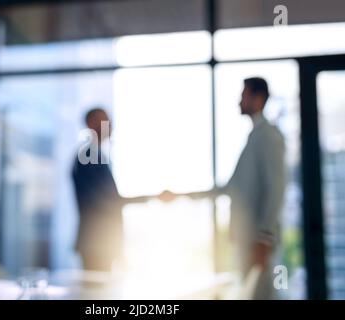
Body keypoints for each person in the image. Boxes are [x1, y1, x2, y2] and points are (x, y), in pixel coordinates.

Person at [164, 77, 286, 299]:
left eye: (244, 95)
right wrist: (180, 195)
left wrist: (265, 238)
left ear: (258, 99)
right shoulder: (254, 138)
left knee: (265, 295)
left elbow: (276, 188)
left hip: (259, 243)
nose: (239, 101)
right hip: (249, 240)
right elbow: (230, 189)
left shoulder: (269, 136)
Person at [72, 108, 152, 272]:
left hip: (101, 242)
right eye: (104, 120)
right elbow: (107, 201)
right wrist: (151, 197)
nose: (110, 124)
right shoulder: (88, 156)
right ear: (91, 124)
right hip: (97, 242)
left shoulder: (95, 155)